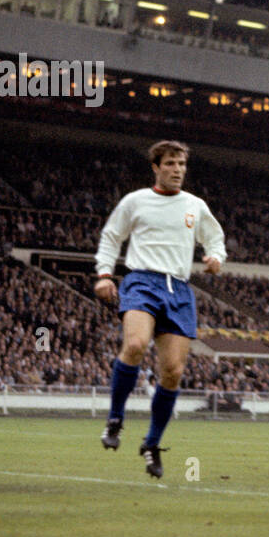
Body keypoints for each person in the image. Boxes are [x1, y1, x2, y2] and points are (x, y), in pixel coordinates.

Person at [94, 140, 225, 479]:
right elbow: (111, 236)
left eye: (181, 163)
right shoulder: (135, 201)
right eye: (170, 163)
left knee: (173, 371)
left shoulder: (195, 205)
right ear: (156, 166)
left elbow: (215, 239)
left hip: (178, 289)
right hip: (141, 281)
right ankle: (115, 417)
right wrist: (104, 274)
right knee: (135, 345)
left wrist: (215, 258)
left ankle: (151, 444)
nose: (177, 169)